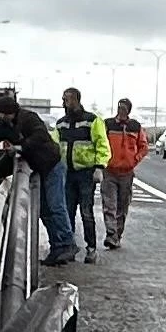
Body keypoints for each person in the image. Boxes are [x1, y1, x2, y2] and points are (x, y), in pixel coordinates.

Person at [0, 88, 74, 263]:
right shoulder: (8, 125)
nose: (0, 117)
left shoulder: (28, 118)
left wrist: (21, 147)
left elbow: (40, 135)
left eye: (2, 113)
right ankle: (57, 248)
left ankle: (67, 243)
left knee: (56, 205)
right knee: (45, 209)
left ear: (10, 112)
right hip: (41, 167)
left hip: (52, 165)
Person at [55, 87, 108, 258]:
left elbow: (102, 144)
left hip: (86, 173)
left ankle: (91, 249)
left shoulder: (92, 121)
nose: (64, 102)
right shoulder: (61, 123)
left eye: (67, 99)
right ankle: (69, 248)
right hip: (67, 174)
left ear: (76, 100)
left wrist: (99, 167)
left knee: (86, 211)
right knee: (67, 211)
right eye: (63, 99)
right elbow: (54, 144)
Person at [98, 97, 148, 250]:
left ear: (129, 110)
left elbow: (143, 146)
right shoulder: (108, 124)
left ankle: (117, 235)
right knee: (109, 205)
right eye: (120, 107)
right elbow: (100, 142)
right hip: (110, 171)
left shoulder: (135, 126)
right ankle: (111, 234)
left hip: (127, 172)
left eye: (124, 108)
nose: (121, 110)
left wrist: (134, 160)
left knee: (122, 206)